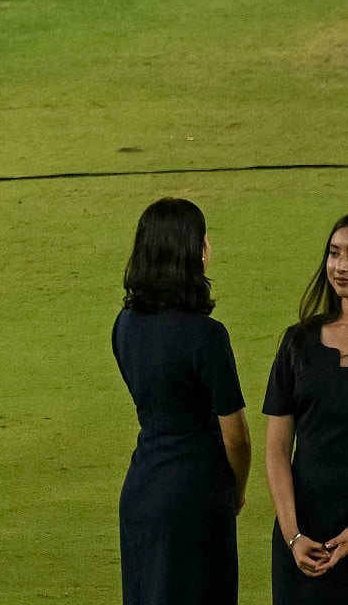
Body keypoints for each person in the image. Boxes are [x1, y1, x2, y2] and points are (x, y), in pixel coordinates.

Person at [113, 197, 251, 605]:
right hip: (195, 495)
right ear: (193, 253)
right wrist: (237, 490)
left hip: (142, 488)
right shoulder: (206, 336)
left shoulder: (124, 324)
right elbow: (237, 439)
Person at [264, 214, 348, 603]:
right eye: (334, 253)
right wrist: (293, 536)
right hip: (305, 543)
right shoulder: (297, 343)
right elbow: (277, 448)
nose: (341, 267)